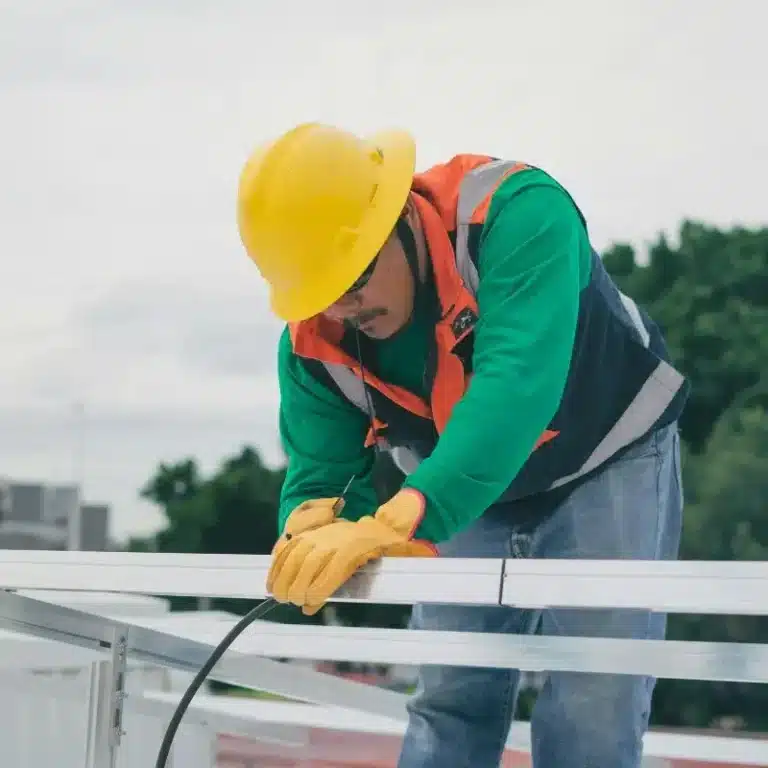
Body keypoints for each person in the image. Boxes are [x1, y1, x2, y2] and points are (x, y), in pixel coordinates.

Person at [235, 122, 689, 768]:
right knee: (451, 697)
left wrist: (404, 515)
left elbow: (513, 394)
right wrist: (309, 526)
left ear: (400, 217)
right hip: (457, 489)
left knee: (596, 702)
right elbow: (322, 480)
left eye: (356, 277)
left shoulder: (518, 217)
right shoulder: (315, 348)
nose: (347, 306)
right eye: (324, 293)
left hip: (605, 455)